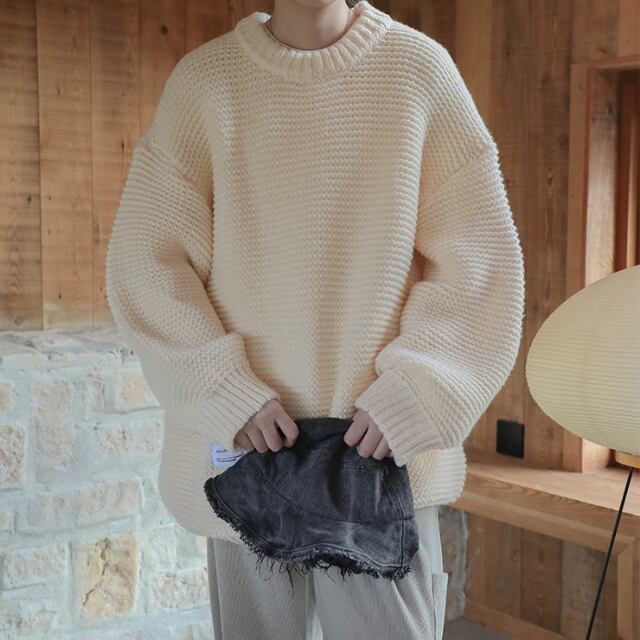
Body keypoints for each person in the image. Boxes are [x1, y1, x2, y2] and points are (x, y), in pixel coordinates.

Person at [105, 0, 525, 637]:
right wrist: (225, 392)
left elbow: (481, 264)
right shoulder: (207, 83)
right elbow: (146, 258)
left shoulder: (417, 72)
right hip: (246, 459)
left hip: (379, 467)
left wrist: (416, 394)